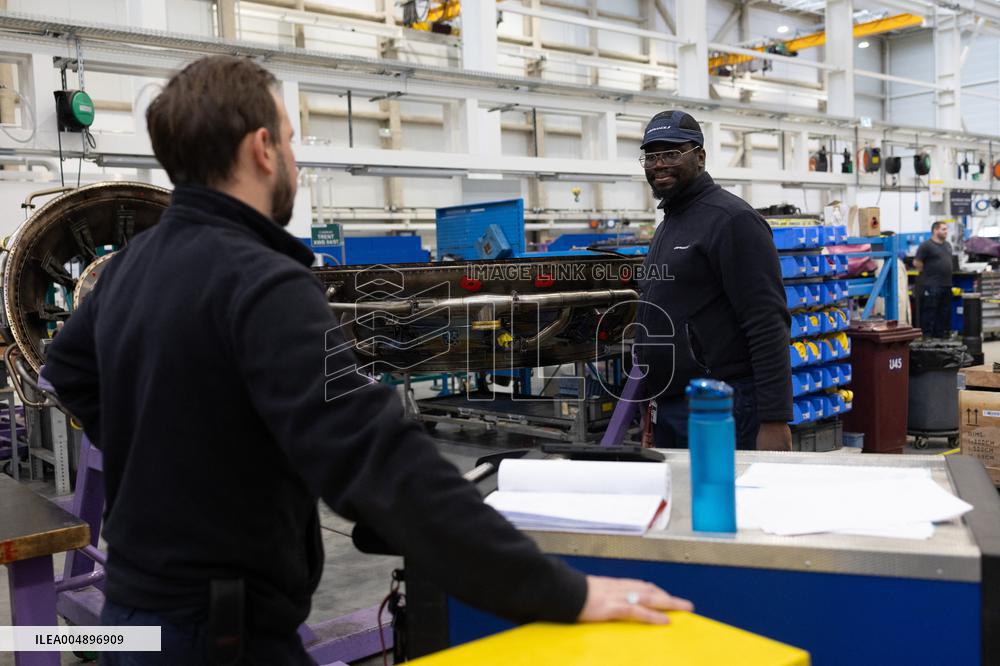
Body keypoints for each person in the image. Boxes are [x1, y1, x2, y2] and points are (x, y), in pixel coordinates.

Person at [41, 56, 692, 665]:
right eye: (291, 140)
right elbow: (377, 459)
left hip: (133, 609)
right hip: (218, 631)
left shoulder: (126, 269)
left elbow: (67, 372)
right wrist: (559, 592)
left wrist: (170, 452)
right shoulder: (263, 283)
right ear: (262, 150)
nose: (294, 158)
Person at [633, 110, 792, 451]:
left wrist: (774, 418)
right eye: (652, 156)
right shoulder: (670, 223)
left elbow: (766, 321)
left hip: (722, 405)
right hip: (671, 406)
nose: (659, 164)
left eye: (672, 154)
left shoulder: (732, 220)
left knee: (726, 501)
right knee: (683, 502)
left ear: (700, 157)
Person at [914, 221, 954, 339]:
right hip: (932, 284)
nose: (946, 232)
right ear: (935, 230)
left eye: (946, 229)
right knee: (930, 311)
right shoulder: (926, 245)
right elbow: (917, 262)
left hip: (946, 284)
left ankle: (941, 336)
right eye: (943, 229)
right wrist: (928, 274)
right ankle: (927, 336)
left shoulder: (947, 245)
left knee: (944, 312)